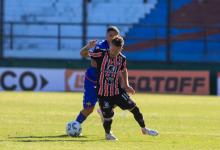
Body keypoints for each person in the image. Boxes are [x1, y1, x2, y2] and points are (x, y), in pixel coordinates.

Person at [89, 35, 159, 140]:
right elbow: (86, 54)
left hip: (117, 91)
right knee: (108, 117)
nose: (115, 51)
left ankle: (144, 129)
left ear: (121, 48)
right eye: (114, 48)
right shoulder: (101, 54)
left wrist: (126, 84)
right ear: (110, 45)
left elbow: (124, 69)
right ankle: (108, 134)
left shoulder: (122, 58)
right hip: (103, 93)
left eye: (118, 49)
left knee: (135, 108)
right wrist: (88, 47)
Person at [74, 26, 120, 127]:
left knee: (116, 101)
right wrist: (88, 47)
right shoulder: (100, 47)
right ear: (106, 36)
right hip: (93, 80)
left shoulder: (117, 47)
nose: (113, 38)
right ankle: (75, 125)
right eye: (110, 35)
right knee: (89, 108)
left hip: (106, 81)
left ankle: (104, 115)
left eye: (115, 35)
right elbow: (85, 55)